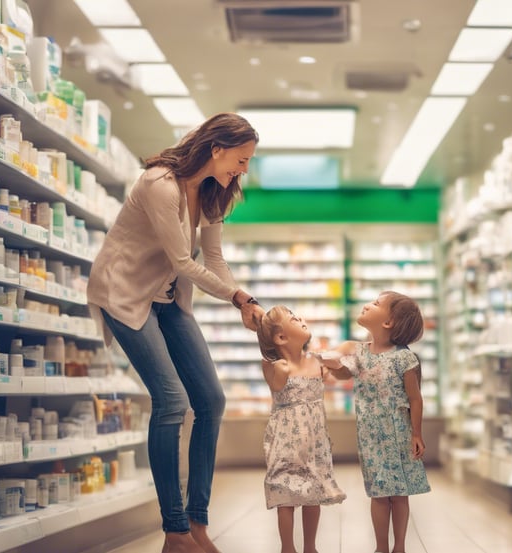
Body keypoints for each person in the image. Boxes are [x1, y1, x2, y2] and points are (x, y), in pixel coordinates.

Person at [87, 113, 264, 553]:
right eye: (240, 161)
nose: (242, 171)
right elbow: (184, 261)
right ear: (216, 148)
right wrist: (240, 299)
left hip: (167, 299)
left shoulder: (214, 192)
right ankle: (174, 530)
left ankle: (197, 522)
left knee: (211, 401)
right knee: (171, 401)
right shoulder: (159, 183)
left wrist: (242, 297)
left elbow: (214, 259)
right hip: (125, 294)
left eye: (248, 163)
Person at [322, 291, 430, 553]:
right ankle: (382, 547)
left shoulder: (403, 358)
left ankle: (400, 546)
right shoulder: (359, 353)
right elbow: (342, 371)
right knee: (379, 492)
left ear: (388, 323)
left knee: (399, 492)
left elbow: (415, 399)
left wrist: (416, 434)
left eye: (377, 303)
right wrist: (329, 361)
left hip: (399, 434)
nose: (368, 304)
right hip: (370, 436)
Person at [256, 305, 346, 553]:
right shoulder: (276, 366)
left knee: (313, 491)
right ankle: (287, 547)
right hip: (285, 440)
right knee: (285, 491)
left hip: (314, 440)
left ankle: (310, 547)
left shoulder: (317, 362)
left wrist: (334, 360)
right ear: (281, 338)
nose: (301, 318)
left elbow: (341, 363)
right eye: (293, 319)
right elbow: (275, 383)